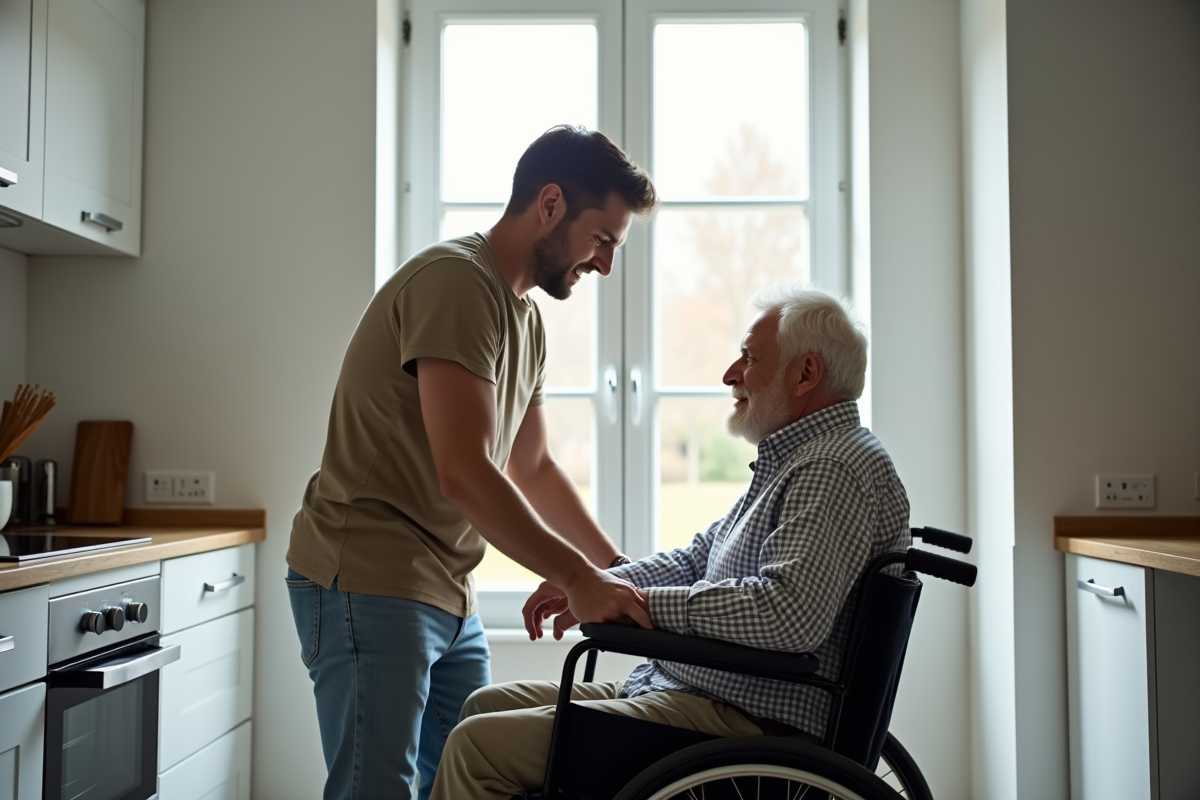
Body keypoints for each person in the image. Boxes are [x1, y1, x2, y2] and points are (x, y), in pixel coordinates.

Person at [284, 125, 658, 800]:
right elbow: (464, 470)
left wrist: (611, 569)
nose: (605, 265)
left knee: (467, 781)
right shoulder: (456, 283)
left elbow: (533, 467)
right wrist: (576, 577)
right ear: (550, 204)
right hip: (370, 575)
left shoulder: (527, 322)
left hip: (449, 590)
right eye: (601, 239)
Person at [428, 284, 912, 800]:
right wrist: (600, 583)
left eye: (750, 358)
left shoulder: (832, 468)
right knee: (481, 707)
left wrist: (639, 605)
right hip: (696, 692)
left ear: (806, 373)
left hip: (741, 720)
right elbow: (696, 558)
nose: (730, 374)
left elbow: (786, 613)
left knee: (477, 747)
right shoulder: (799, 460)